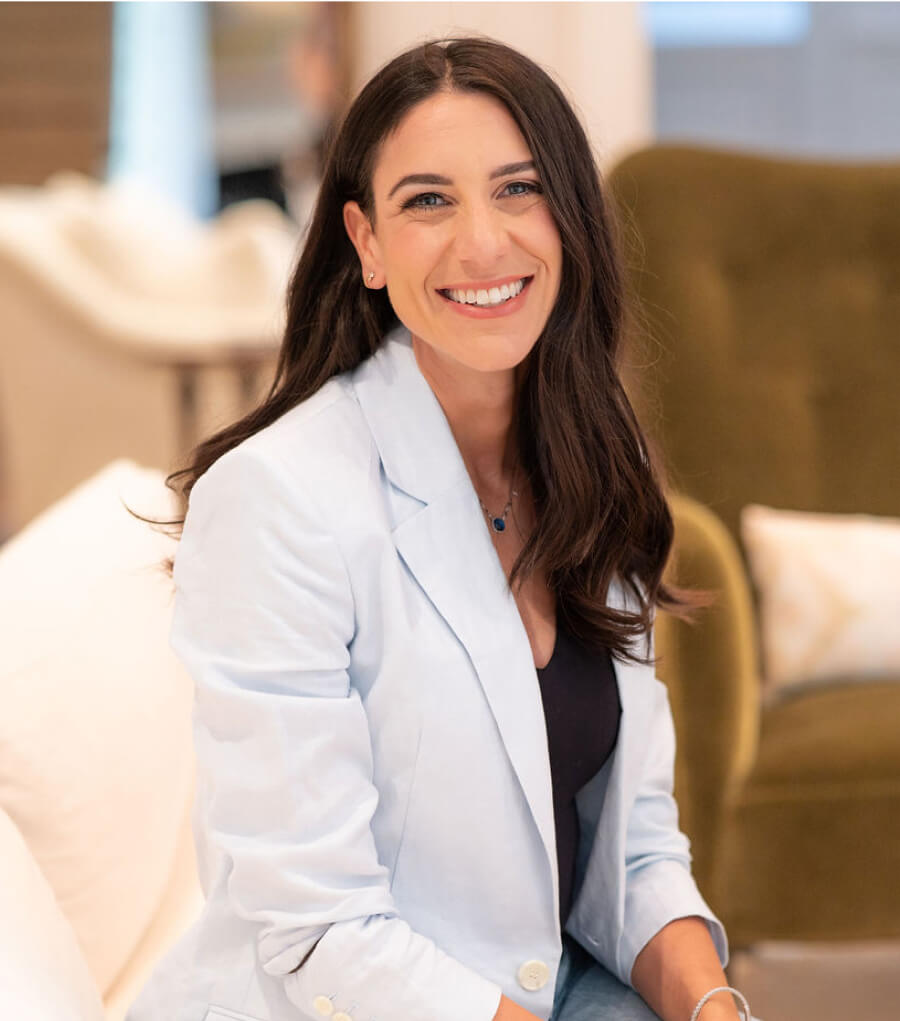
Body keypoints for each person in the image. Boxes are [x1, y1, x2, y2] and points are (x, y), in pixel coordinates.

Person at [128, 36, 754, 1021]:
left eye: (518, 189)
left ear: (572, 221)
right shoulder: (278, 498)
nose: (482, 243)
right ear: (365, 243)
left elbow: (632, 848)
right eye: (428, 200)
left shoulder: (594, 467)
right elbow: (318, 928)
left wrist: (717, 1004)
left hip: (544, 982)